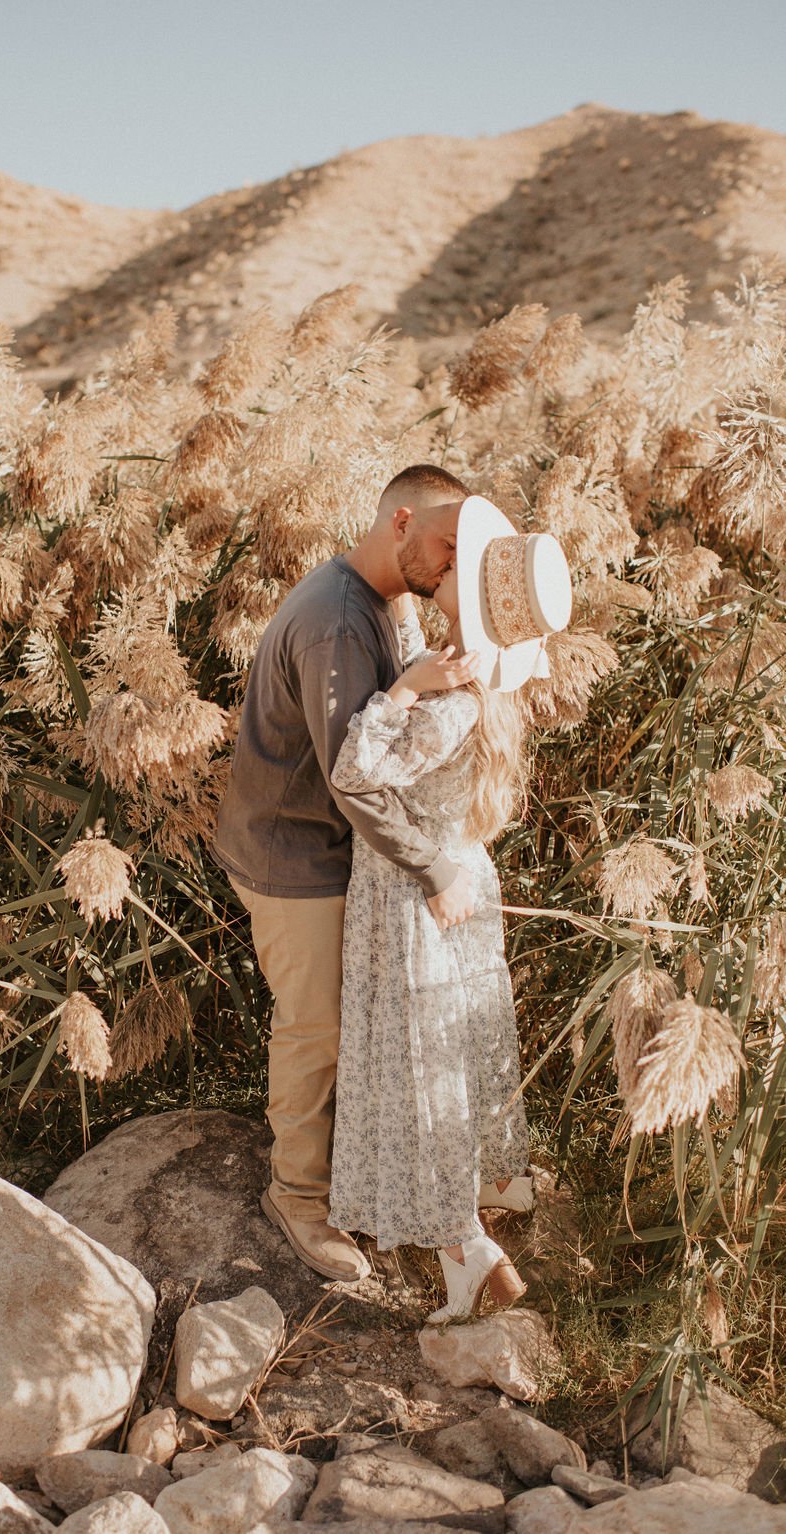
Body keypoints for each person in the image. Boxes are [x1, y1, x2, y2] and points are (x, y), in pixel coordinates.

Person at [213, 464, 486, 1283]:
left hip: (326, 847)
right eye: (447, 543)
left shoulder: (386, 597)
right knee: (317, 1027)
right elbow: (351, 778)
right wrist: (433, 866)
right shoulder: (338, 621)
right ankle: (296, 1196)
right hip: (291, 854)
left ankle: (357, 1174)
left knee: (349, 1020)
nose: (453, 562)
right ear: (401, 521)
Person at [327, 493, 572, 1318]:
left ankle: (466, 1250)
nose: (448, 564)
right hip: (461, 879)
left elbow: (354, 772)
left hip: (412, 897)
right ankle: (477, 1220)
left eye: (462, 566)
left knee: (418, 1073)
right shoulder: (489, 692)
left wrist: (401, 690)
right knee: (449, 1059)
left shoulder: (449, 699)